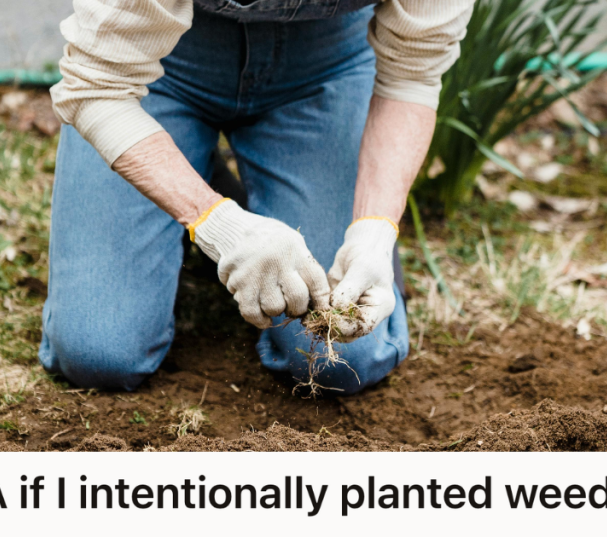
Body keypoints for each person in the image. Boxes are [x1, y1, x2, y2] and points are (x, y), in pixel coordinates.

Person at [40, 0, 473, 394]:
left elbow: (412, 74)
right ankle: (189, 175)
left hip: (328, 63)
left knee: (342, 362)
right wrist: (217, 224)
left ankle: (210, 182)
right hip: (158, 62)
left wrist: (374, 231)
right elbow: (98, 88)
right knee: (99, 353)